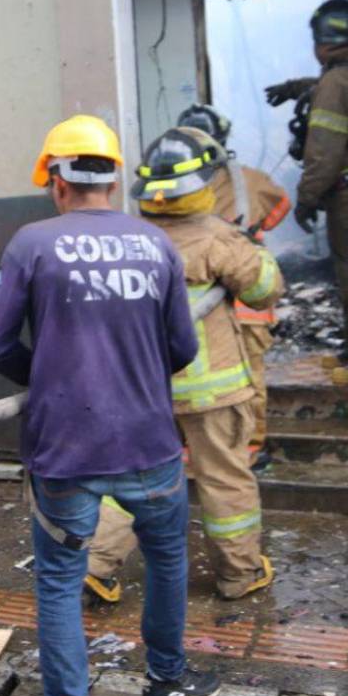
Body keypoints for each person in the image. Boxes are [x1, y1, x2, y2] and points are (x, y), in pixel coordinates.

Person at [0, 114, 220, 696]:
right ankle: (165, 681)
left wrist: (52, 378)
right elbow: (184, 348)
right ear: (113, 179)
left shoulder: (31, 244)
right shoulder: (156, 243)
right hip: (150, 444)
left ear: (56, 182)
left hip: (65, 449)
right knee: (167, 561)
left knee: (60, 582)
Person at [83, 111, 290, 605]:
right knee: (225, 478)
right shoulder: (217, 239)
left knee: (129, 477)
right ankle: (239, 574)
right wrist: (252, 252)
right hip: (214, 390)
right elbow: (264, 291)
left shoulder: (122, 238)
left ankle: (95, 564)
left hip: (139, 390)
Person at [265, 0, 348, 384]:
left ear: (323, 41)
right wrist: (297, 88)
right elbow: (338, 91)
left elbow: (323, 151)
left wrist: (306, 198)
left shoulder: (338, 81)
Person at [179, 103, 290, 463]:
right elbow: (279, 208)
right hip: (247, 296)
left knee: (191, 378)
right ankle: (250, 447)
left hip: (195, 305)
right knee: (250, 377)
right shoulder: (252, 181)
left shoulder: (173, 189)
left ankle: (190, 448)